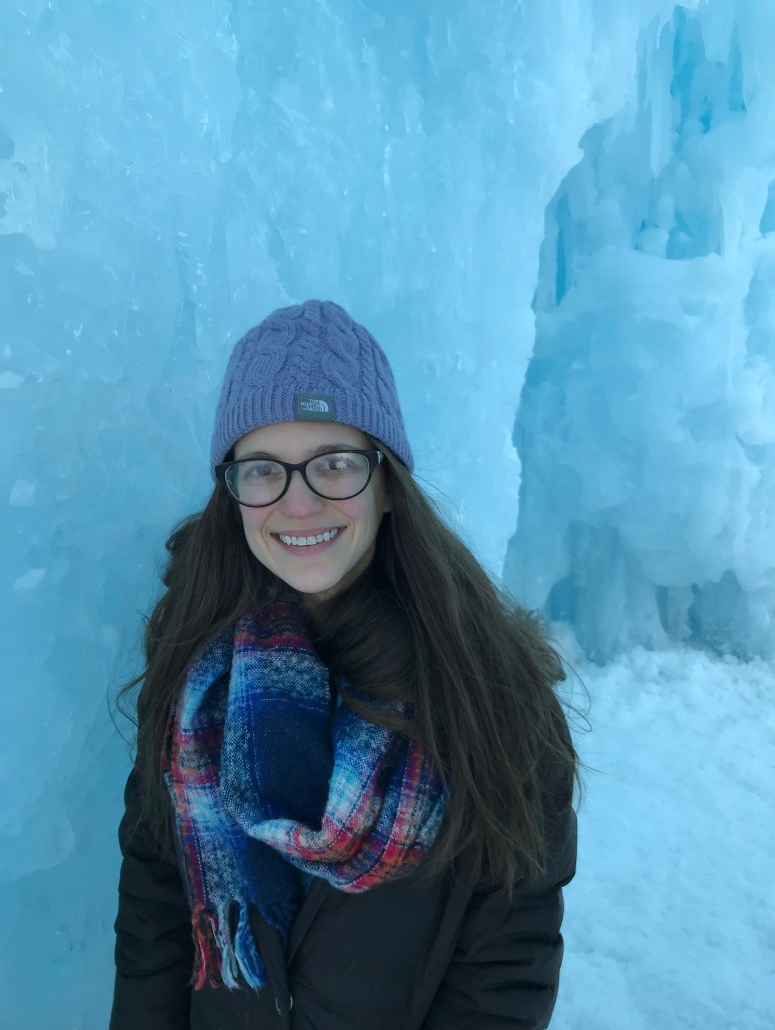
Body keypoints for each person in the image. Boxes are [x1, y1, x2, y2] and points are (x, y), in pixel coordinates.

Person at [110, 299, 578, 1030]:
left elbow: (504, 967)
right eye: (263, 469)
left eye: (334, 463)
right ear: (232, 490)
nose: (298, 502)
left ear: (387, 482)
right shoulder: (195, 672)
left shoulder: (488, 691)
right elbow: (155, 910)